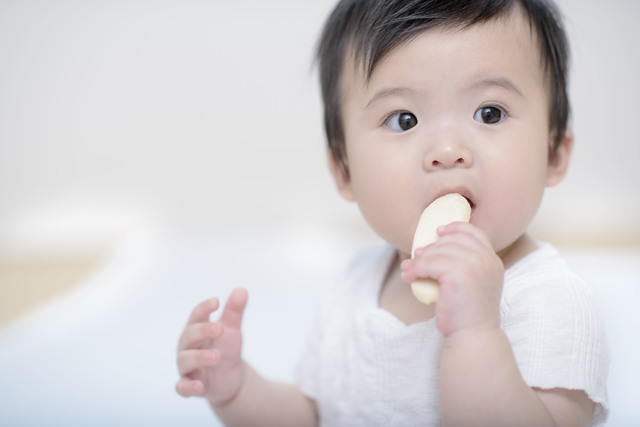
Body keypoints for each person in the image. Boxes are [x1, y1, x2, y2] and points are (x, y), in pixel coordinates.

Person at [175, 0, 610, 425]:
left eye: (489, 113)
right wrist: (237, 390)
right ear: (344, 171)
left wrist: (476, 332)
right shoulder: (355, 288)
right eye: (403, 119)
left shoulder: (552, 302)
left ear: (554, 153)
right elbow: (315, 415)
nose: (446, 151)